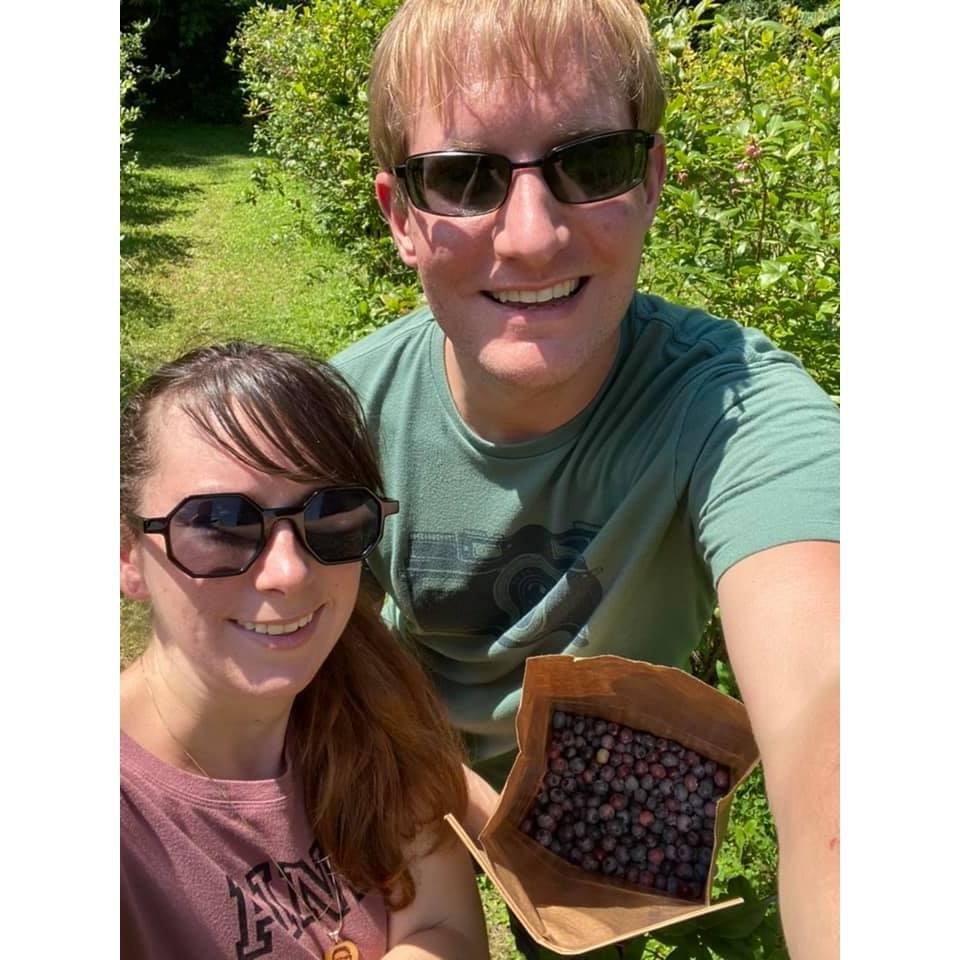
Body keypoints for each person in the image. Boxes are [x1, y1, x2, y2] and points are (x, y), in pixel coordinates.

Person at [331, 1, 839, 958]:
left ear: (650, 181)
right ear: (400, 216)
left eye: (591, 162)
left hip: (615, 777)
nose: (529, 237)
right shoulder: (346, 416)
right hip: (411, 748)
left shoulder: (733, 411)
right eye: (461, 178)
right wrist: (445, 795)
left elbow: (843, 698)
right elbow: (322, 657)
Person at [120, 341, 489, 959]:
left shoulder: (369, 704)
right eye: (219, 524)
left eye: (332, 514)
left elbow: (443, 924)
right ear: (128, 554)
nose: (288, 572)